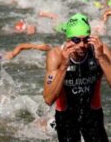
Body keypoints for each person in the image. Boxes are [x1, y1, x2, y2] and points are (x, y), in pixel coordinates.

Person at [43, 13, 111, 142]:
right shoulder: (56, 55)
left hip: (92, 114)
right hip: (66, 117)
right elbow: (48, 98)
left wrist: (101, 58)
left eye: (86, 39)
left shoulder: (101, 51)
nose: (81, 44)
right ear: (68, 39)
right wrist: (63, 66)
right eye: (76, 40)